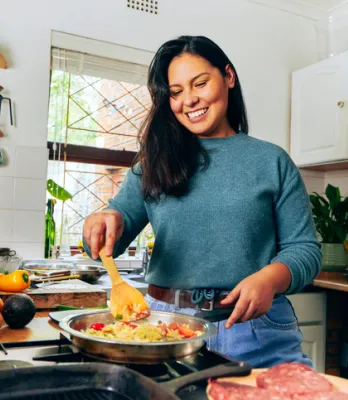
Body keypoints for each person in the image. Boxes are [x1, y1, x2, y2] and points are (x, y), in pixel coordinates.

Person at [82, 35, 321, 368]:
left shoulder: (272, 161)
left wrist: (269, 278)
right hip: (166, 331)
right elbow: (114, 231)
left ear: (228, 77)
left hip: (258, 331)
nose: (189, 100)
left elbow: (305, 250)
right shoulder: (154, 163)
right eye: (176, 93)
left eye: (200, 84)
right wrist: (103, 221)